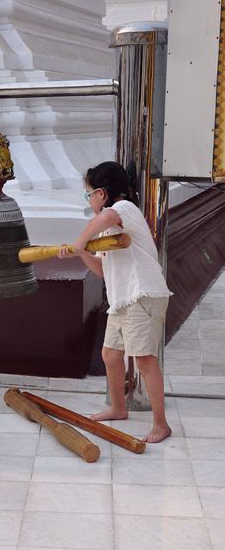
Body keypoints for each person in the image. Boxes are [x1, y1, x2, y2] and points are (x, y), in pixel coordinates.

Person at [58, 161, 173, 443]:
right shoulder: (108, 227)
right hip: (123, 299)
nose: (89, 200)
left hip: (143, 294)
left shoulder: (123, 210)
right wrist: (80, 253)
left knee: (144, 360)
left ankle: (161, 424)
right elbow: (102, 270)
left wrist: (79, 242)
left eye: (89, 194)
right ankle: (118, 408)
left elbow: (105, 218)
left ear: (102, 192)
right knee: (110, 354)